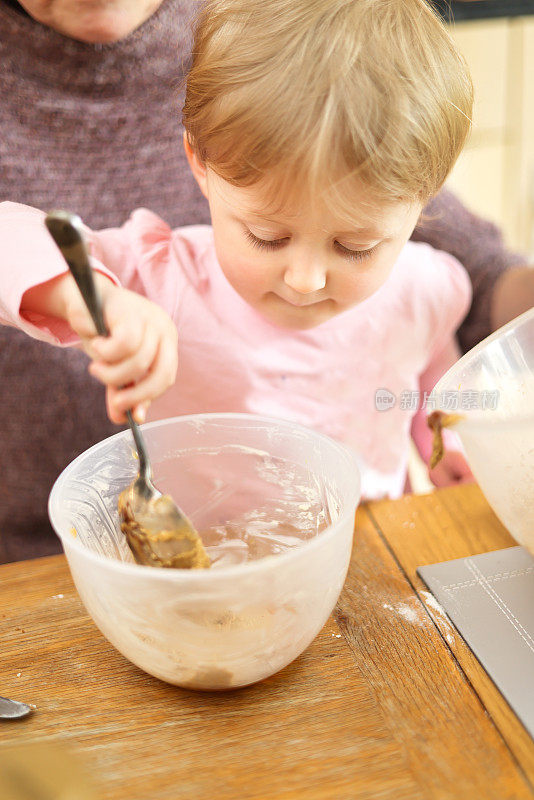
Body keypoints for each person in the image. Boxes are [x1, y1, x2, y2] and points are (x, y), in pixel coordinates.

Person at [1, 0, 532, 561]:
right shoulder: (160, 280)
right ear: (201, 163)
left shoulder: (429, 289)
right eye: (267, 237)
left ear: (425, 198)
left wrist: (441, 441)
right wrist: (95, 299)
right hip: (201, 570)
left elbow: (414, 386)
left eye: (354, 248)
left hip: (369, 555)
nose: (304, 280)